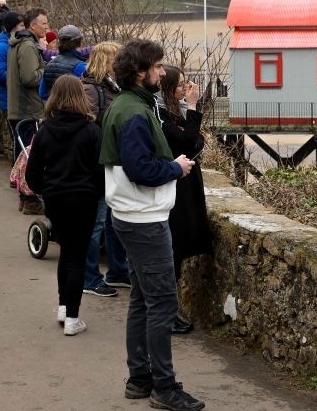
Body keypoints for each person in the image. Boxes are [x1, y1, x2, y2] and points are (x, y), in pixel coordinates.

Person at [99, 39, 202, 411]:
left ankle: (139, 378)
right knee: (162, 302)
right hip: (144, 219)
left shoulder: (130, 105)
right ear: (140, 71)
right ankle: (163, 387)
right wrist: (176, 167)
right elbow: (141, 169)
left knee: (142, 299)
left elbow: (134, 163)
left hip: (132, 215)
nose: (162, 72)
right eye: (158, 66)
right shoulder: (134, 112)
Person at [25, 75, 104, 336]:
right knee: (77, 257)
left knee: (66, 252)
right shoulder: (92, 131)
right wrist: (97, 193)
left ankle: (63, 306)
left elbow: (32, 173)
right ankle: (72, 316)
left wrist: (46, 191)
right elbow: (100, 171)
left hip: (56, 198)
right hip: (84, 199)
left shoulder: (45, 131)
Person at [157, 66, 213, 335]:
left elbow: (193, 141)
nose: (185, 88)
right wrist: (193, 108)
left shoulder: (172, 113)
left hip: (185, 185)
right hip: (174, 189)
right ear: (168, 89)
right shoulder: (161, 115)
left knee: (177, 249)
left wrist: (189, 115)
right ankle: (167, 314)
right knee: (173, 249)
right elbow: (188, 143)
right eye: (180, 85)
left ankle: (170, 311)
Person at [80, 41, 131, 297]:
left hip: (109, 166)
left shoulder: (112, 89)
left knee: (113, 220)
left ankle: (118, 271)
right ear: (107, 62)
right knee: (97, 223)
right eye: (118, 60)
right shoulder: (91, 91)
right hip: (96, 168)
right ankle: (89, 278)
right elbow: (85, 130)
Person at [7, 8, 48, 215]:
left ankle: (25, 199)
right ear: (32, 25)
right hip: (28, 108)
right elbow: (30, 77)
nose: (46, 27)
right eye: (44, 24)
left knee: (23, 155)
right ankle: (30, 200)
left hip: (20, 107)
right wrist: (48, 70)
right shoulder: (28, 46)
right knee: (29, 157)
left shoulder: (18, 43)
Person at [0, 12, 23, 153]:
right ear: (12, 28)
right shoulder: (2, 47)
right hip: (9, 100)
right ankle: (16, 170)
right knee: (17, 138)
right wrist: (19, 77)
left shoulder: (17, 43)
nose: (24, 28)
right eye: (21, 25)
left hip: (19, 99)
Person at [40, 24, 89, 98]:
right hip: (75, 109)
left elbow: (42, 93)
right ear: (79, 43)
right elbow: (87, 97)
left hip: (52, 108)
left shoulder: (49, 65)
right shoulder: (81, 66)